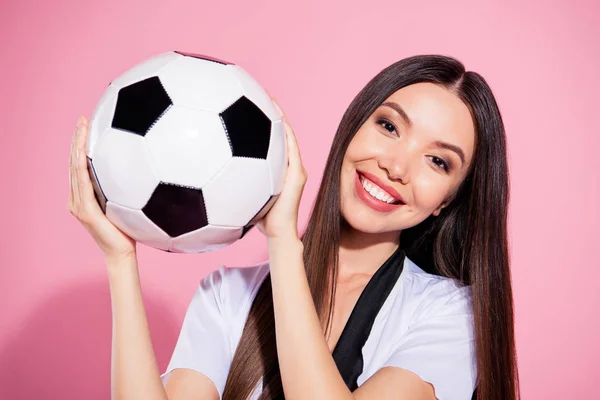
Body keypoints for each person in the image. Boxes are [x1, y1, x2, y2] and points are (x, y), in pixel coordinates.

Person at [68, 54, 520, 400]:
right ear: (352, 127)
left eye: (437, 161)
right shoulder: (228, 295)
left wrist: (283, 239)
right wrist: (120, 258)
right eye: (388, 126)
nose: (396, 166)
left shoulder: (449, 315)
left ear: (448, 200)